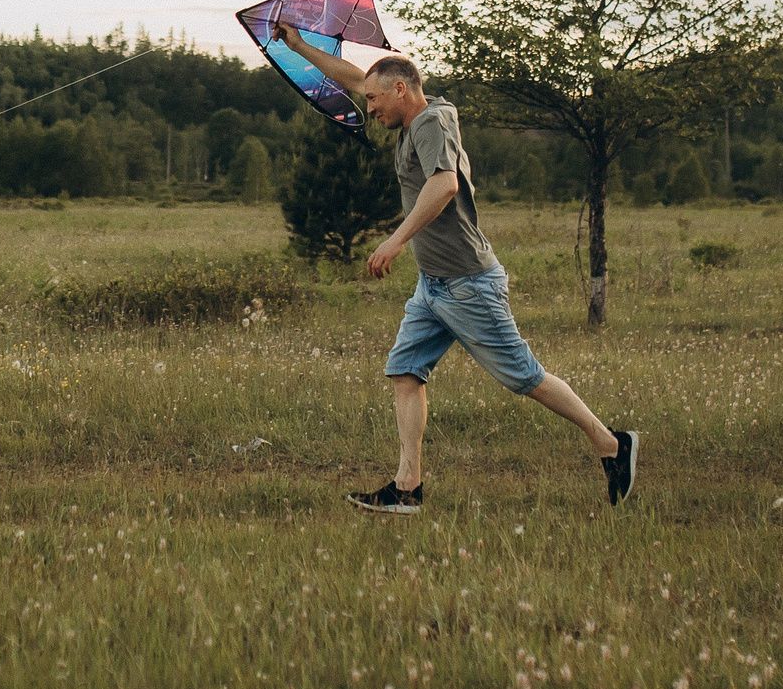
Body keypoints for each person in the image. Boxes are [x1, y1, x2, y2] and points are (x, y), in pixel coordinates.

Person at [273, 26, 638, 514]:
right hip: (435, 285)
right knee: (405, 372)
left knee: (524, 378)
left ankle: (612, 444)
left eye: (377, 99)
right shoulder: (413, 115)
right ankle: (407, 489)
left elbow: (444, 185)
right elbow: (359, 78)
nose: (370, 106)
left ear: (401, 90)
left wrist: (396, 239)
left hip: (469, 285)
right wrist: (298, 47)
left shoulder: (430, 125)